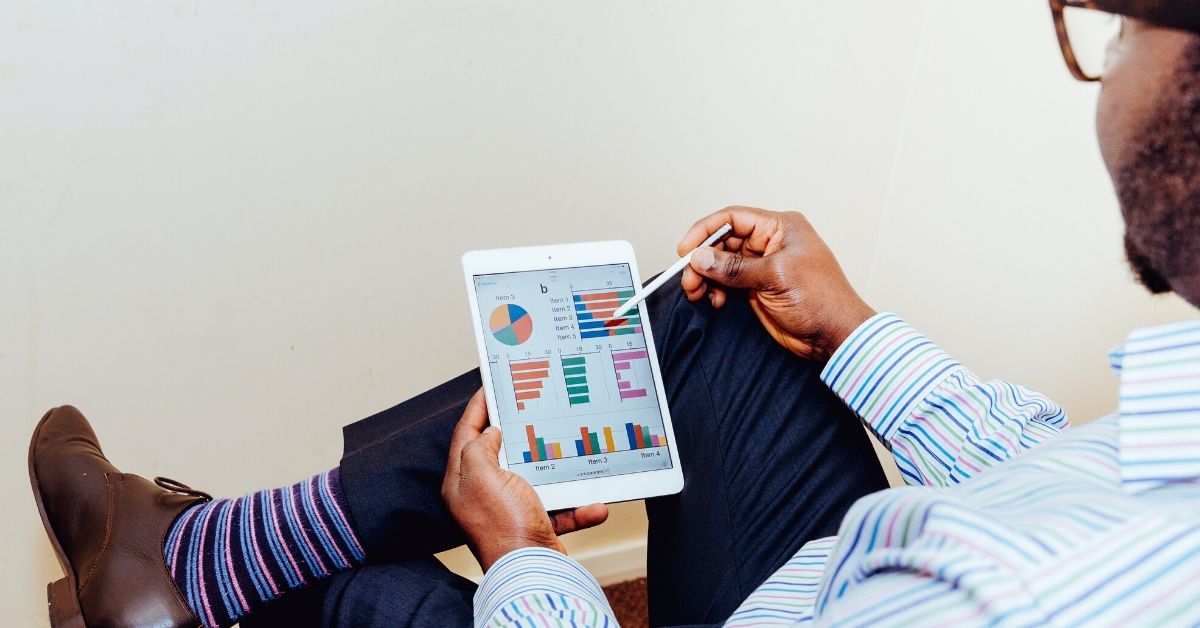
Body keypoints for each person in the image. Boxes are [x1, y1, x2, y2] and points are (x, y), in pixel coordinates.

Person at [27, 0, 1200, 625]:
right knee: (720, 314)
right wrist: (854, 328)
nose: (1108, 64)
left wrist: (526, 559)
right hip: (841, 578)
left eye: (1125, 26)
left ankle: (206, 561)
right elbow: (1056, 471)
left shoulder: (1035, 600)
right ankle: (190, 552)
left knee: (363, 595)